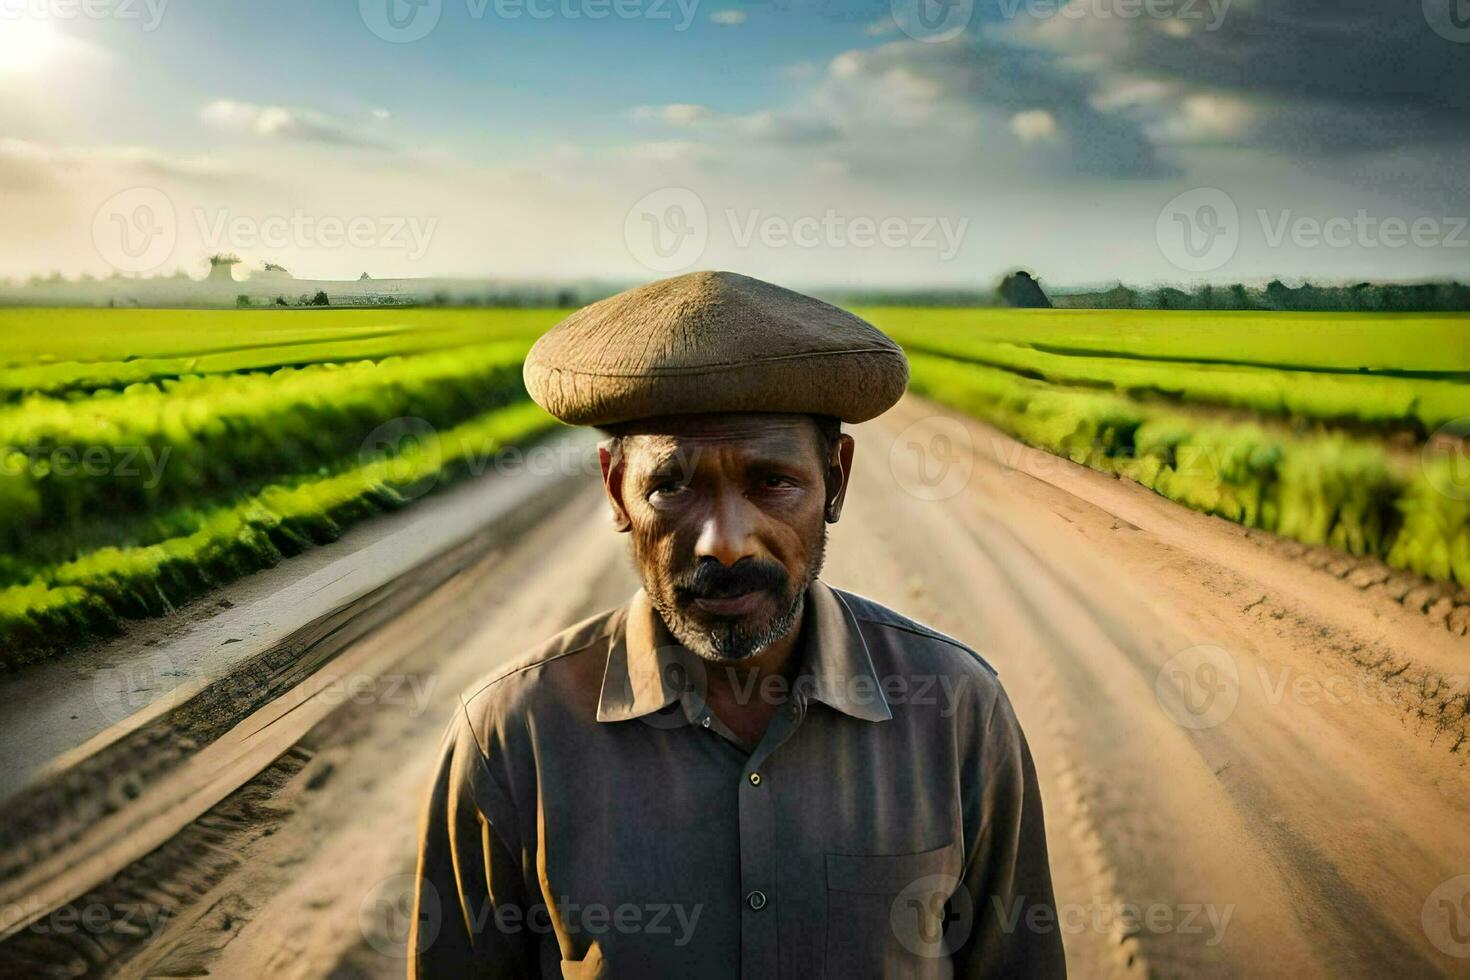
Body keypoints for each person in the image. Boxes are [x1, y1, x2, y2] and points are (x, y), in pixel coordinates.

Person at [410, 271, 1065, 978]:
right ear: (615, 490)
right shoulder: (514, 735)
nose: (724, 542)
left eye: (772, 482)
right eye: (673, 486)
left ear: (836, 480)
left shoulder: (957, 709)